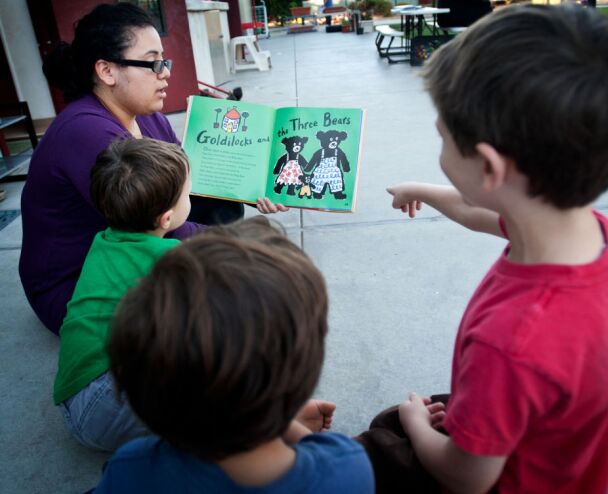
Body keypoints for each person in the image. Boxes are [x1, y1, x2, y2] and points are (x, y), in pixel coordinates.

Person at [360, 5, 608, 494]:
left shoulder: (513, 341)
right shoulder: (590, 234)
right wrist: (422, 188)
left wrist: (416, 424)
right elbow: (478, 211)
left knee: (383, 433)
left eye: (442, 138)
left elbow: (467, 476)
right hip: (565, 462)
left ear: (488, 167)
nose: (438, 148)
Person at [19, 2, 285, 335]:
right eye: (151, 63)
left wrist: (251, 188)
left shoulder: (145, 113)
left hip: (128, 246)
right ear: (107, 71)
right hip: (78, 285)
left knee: (222, 208)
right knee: (229, 304)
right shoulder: (84, 132)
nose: (166, 72)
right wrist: (240, 245)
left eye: (164, 60)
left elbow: (185, 179)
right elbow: (156, 222)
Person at [92, 219, 374, 493]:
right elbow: (325, 454)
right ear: (306, 373)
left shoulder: (131, 469)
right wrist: (279, 420)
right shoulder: (346, 470)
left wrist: (275, 417)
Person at [54, 138, 192, 451]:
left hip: (73, 397)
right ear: (166, 219)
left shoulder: (103, 241)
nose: (190, 196)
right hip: (111, 402)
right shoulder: (170, 257)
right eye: (188, 193)